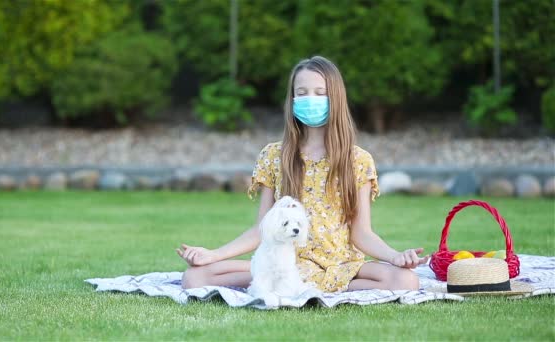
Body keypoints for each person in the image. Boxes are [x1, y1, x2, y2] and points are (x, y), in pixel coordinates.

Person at [176, 56, 429, 293]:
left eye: (320, 93)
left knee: (406, 280)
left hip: (341, 267)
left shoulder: (358, 160)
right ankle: (299, 286)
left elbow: (361, 233)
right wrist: (214, 255)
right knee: (195, 278)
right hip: (283, 265)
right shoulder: (275, 156)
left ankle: (318, 286)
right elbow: (262, 229)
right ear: (292, 99)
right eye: (302, 93)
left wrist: (394, 256)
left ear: (336, 98)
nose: (310, 99)